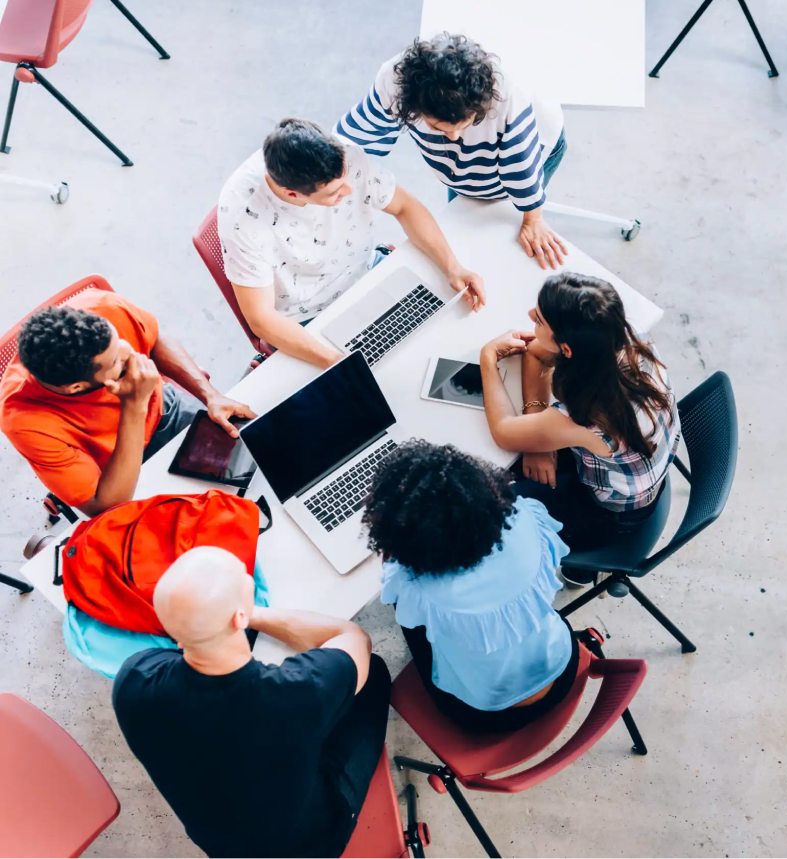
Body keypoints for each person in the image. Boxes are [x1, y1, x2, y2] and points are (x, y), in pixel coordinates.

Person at [112, 547, 390, 858]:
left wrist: (217, 617)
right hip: (311, 845)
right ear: (240, 616)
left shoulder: (132, 680)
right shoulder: (298, 693)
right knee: (375, 672)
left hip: (223, 845)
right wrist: (248, 614)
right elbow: (353, 638)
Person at [217, 117, 486, 369]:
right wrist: (338, 363)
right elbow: (261, 319)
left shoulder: (345, 154)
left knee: (451, 338)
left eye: (346, 178)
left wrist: (453, 267)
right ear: (291, 194)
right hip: (308, 318)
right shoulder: (242, 217)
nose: (349, 190)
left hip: (369, 273)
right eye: (335, 193)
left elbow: (405, 207)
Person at [362, 440, 578, 732]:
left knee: (405, 611)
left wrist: (395, 558)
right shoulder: (527, 516)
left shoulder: (415, 589)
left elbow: (402, 601)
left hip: (484, 714)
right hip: (562, 668)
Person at [478, 273, 680, 566]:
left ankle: (579, 568)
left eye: (540, 321)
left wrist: (488, 358)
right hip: (641, 472)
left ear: (568, 350)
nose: (530, 315)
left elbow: (503, 431)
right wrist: (539, 438)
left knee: (486, 505)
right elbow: (535, 354)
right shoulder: (624, 337)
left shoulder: (593, 415)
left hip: (610, 515)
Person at [0, 291, 255, 516]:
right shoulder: (24, 419)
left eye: (119, 341)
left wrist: (211, 396)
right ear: (76, 388)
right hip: (113, 471)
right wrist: (135, 406)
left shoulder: (103, 307)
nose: (131, 355)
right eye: (118, 364)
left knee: (254, 471)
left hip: (166, 410)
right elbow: (106, 505)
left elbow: (153, 340)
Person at [336, 34, 570, 271]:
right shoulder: (393, 81)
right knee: (463, 220)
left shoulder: (508, 99)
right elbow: (351, 141)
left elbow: (521, 170)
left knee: (494, 239)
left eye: (463, 126)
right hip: (474, 157)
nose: (454, 139)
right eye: (437, 128)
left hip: (535, 143)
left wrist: (532, 219)